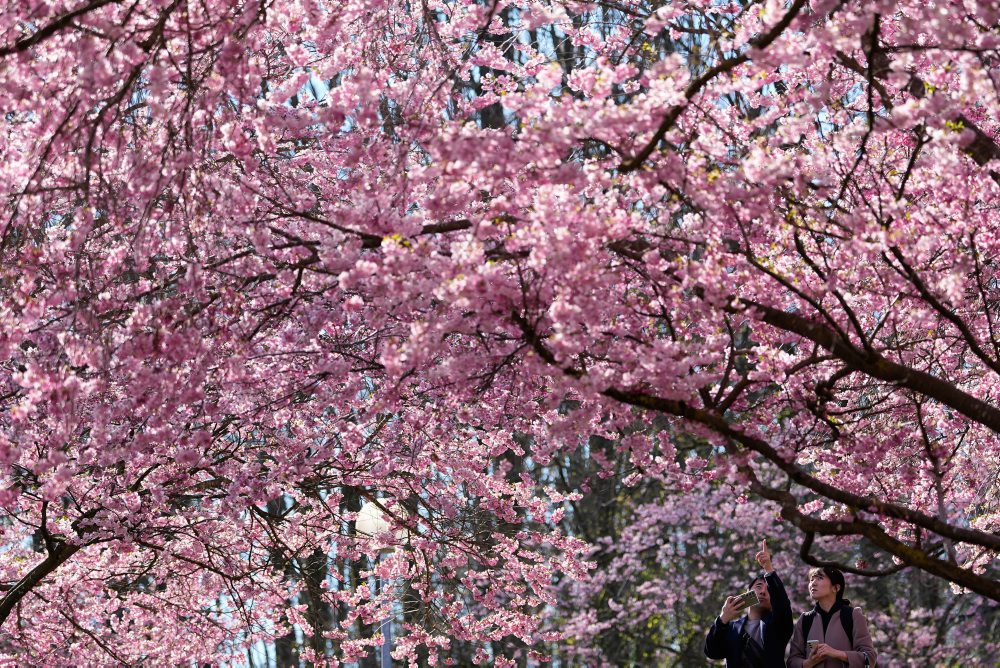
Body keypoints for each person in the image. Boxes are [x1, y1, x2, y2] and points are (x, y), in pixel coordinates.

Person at [705, 540, 794, 667]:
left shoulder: (779, 624)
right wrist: (723, 619)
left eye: (769, 589)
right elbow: (712, 652)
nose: (763, 592)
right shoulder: (732, 628)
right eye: (758, 586)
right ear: (748, 592)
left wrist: (768, 569)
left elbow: (782, 605)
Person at [787, 566, 877, 668]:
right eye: (811, 579)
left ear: (836, 588)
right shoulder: (805, 619)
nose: (813, 583)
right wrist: (809, 663)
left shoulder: (853, 616)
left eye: (820, 578)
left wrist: (836, 653)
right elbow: (792, 661)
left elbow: (869, 657)